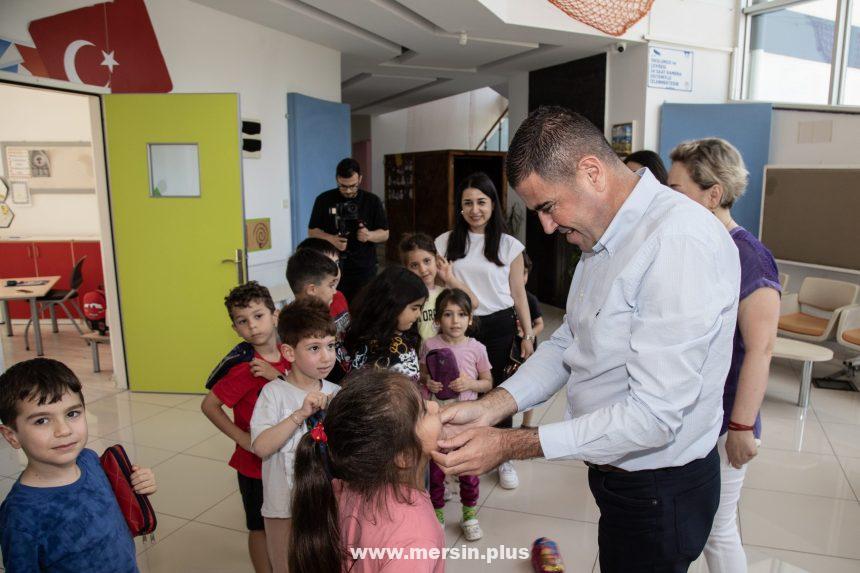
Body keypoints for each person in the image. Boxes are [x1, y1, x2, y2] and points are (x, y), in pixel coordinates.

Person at [432, 106, 741, 573]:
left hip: (658, 487)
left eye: (547, 207)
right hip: (614, 469)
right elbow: (569, 342)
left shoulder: (678, 243)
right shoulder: (602, 236)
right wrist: (494, 405)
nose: (547, 227)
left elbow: (654, 417)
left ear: (592, 172)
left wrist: (508, 445)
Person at [668, 138, 781, 573]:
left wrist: (740, 426)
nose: (667, 198)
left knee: (718, 529)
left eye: (677, 190)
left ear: (713, 194)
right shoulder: (697, 246)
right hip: (692, 412)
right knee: (698, 523)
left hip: (726, 419)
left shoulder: (749, 257)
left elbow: (761, 349)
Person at [0, 358, 157, 572]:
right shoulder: (20, 515)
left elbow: (112, 506)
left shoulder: (90, 459)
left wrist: (140, 484)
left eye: (72, 414)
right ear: (11, 436)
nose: (64, 430)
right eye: (41, 421)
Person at [288, 369, 444, 573]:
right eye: (423, 411)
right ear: (404, 456)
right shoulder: (416, 542)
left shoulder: (348, 486)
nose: (433, 405)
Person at [435, 172, 534, 490]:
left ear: (493, 204)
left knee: (500, 392)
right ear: (459, 207)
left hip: (500, 325)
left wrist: (528, 336)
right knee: (463, 392)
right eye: (468, 203)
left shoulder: (509, 245)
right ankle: (462, 455)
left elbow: (519, 295)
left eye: (481, 202)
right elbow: (438, 288)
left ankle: (502, 457)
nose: (475, 209)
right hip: (459, 326)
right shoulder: (445, 242)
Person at [201, 282, 289, 573]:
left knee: (288, 520)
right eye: (243, 321)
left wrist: (277, 375)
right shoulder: (244, 366)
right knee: (259, 526)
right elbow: (209, 405)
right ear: (235, 328)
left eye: (258, 315)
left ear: (275, 315)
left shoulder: (293, 355)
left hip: (291, 459)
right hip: (254, 465)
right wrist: (241, 437)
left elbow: (303, 392)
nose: (252, 326)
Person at [250, 297, 340, 573]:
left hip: (327, 502)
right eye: (314, 348)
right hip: (283, 507)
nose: (326, 356)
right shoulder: (273, 393)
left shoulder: (337, 392)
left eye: (330, 346)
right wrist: (298, 415)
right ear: (289, 353)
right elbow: (261, 447)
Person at [420, 288, 491, 540]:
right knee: (436, 471)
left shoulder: (477, 348)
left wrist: (470, 384)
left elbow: (488, 383)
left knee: (468, 470)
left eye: (461, 314)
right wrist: (428, 383)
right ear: (437, 319)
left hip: (467, 422)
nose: (455, 320)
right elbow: (422, 373)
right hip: (438, 420)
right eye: (448, 314)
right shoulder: (429, 345)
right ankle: (437, 513)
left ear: (470, 319)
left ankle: (469, 513)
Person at [308, 158, 389, 302]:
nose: (348, 191)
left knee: (363, 309)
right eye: (343, 186)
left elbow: (385, 234)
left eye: (353, 186)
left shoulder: (372, 201)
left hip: (364, 268)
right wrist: (331, 239)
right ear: (337, 179)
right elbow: (312, 231)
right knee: (335, 311)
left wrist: (369, 235)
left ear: (360, 179)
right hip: (330, 269)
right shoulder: (323, 200)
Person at [344, 266, 428, 385]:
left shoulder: (366, 332)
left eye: (420, 308)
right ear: (392, 305)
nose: (419, 314)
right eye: (414, 308)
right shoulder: (387, 348)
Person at [399, 232, 478, 343]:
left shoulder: (444, 294)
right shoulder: (405, 298)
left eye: (427, 261)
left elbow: (473, 303)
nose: (423, 269)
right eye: (414, 265)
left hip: (443, 355)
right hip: (417, 355)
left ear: (436, 260)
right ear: (406, 269)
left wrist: (449, 278)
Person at [288, 247, 349, 384]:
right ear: (312, 290)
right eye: (330, 285)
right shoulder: (294, 324)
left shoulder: (334, 301)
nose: (334, 292)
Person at [295, 237, 351, 337]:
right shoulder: (300, 319)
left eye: (337, 263)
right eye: (329, 266)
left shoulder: (338, 296)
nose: (336, 271)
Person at [518, 252, 545, 429]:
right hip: (509, 350)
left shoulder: (530, 299)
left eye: (524, 273)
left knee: (528, 387)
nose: (520, 278)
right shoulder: (503, 299)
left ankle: (526, 424)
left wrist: (528, 335)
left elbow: (540, 324)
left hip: (527, 352)